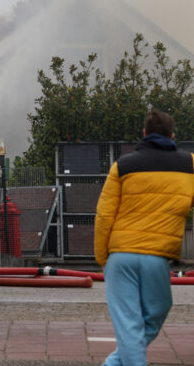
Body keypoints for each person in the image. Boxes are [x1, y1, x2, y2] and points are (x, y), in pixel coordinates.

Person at [95, 109, 194, 366]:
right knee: (157, 312)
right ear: (172, 136)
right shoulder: (190, 166)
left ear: (144, 133)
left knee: (128, 323)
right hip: (156, 258)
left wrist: (102, 258)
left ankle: (114, 363)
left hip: (120, 257)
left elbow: (104, 216)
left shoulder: (122, 166)